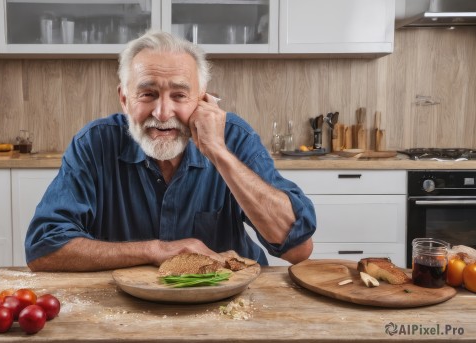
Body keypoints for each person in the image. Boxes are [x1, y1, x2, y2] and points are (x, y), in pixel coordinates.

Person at [25, 30, 316, 272]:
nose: (163, 113)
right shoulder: (94, 143)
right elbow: (43, 248)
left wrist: (218, 153)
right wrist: (155, 250)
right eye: (148, 94)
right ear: (125, 99)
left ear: (202, 99)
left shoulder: (234, 138)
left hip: (228, 302)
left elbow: (298, 248)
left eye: (179, 95)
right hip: (125, 308)